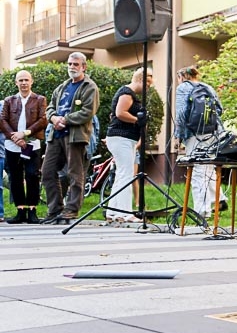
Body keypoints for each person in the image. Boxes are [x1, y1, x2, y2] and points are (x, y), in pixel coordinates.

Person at [40, 52, 100, 224]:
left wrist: (65, 119)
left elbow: (88, 112)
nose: (72, 67)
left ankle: (71, 210)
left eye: (75, 64)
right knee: (47, 172)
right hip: (55, 135)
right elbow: (50, 107)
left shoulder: (90, 87)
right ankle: (55, 209)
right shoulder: (62, 86)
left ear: (83, 66)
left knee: (75, 174)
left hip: (75, 136)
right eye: (70, 64)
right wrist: (53, 118)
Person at [174, 66, 228, 218]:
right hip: (213, 132)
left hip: (194, 134)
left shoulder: (183, 87)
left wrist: (178, 136)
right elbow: (220, 110)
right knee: (208, 168)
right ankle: (219, 199)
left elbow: (181, 114)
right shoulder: (207, 87)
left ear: (182, 76)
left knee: (198, 170)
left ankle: (202, 210)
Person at [105, 67, 152, 223]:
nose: (147, 88)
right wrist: (138, 120)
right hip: (121, 138)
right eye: (147, 84)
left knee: (121, 174)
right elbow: (120, 113)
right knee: (126, 175)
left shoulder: (128, 93)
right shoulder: (127, 93)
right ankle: (125, 213)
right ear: (140, 79)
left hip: (121, 138)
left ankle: (112, 211)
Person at [0, 70, 47, 224]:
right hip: (12, 145)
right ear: (16, 83)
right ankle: (20, 210)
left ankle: (32, 210)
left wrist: (25, 134)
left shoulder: (40, 99)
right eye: (20, 80)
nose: (24, 83)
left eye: (26, 80)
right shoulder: (9, 100)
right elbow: (3, 120)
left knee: (33, 176)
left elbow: (42, 120)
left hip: (32, 144)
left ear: (31, 81)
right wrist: (15, 137)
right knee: (15, 177)